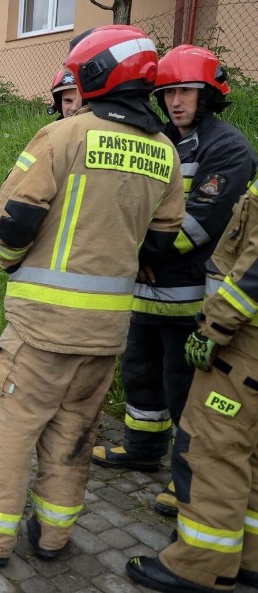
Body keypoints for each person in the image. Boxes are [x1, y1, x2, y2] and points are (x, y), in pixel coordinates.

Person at [0, 25, 185, 566]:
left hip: (42, 329)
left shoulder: (63, 135)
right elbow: (162, 243)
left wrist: (7, 263)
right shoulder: (166, 153)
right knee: (74, 436)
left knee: (9, 430)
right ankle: (52, 536)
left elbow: (17, 219)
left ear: (93, 74)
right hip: (108, 333)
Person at [92, 45, 257, 516]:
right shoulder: (159, 139)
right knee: (141, 374)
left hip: (191, 298)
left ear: (207, 94)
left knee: (187, 390)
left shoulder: (227, 148)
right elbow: (128, 204)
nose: (175, 102)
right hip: (145, 289)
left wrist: (139, 252)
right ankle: (142, 450)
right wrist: (135, 253)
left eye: (185, 91)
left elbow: (200, 222)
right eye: (167, 94)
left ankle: (183, 477)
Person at [127, 178, 258, 592]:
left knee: (209, 449)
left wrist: (213, 328)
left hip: (244, 345)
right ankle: (249, 558)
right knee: (250, 456)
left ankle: (199, 566)